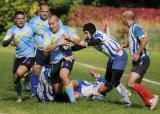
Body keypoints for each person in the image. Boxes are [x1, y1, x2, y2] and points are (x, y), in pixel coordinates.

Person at [70, 23, 131, 106]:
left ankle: (126, 100)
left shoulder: (98, 35)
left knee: (114, 79)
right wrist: (68, 50)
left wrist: (87, 43)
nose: (86, 35)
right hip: (112, 58)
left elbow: (96, 41)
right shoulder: (90, 39)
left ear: (91, 31)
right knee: (108, 80)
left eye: (86, 33)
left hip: (119, 55)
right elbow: (80, 47)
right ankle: (126, 92)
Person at [118, 11, 159, 110]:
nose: (121, 21)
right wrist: (124, 45)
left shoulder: (135, 27)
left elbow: (144, 39)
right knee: (137, 84)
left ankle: (152, 97)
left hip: (142, 59)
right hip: (139, 60)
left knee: (130, 83)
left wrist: (137, 53)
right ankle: (148, 103)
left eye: (122, 19)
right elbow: (133, 42)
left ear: (125, 18)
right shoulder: (131, 28)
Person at [41, 15, 80, 103]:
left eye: (53, 24)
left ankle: (73, 102)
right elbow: (46, 50)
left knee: (63, 75)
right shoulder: (46, 33)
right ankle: (74, 95)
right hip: (54, 62)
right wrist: (59, 43)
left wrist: (70, 39)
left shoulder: (67, 29)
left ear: (58, 22)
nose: (51, 26)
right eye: (49, 24)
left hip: (67, 58)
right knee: (58, 92)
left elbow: (78, 41)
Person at [2, 11, 35, 102]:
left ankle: (27, 73)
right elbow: (4, 44)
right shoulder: (11, 30)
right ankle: (19, 96)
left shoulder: (31, 27)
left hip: (30, 56)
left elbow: (42, 34)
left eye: (22, 18)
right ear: (15, 20)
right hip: (18, 57)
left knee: (19, 73)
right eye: (18, 18)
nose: (20, 20)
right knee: (16, 79)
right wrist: (10, 39)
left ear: (25, 19)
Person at [29, 2, 50, 96]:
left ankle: (49, 90)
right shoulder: (33, 21)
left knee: (49, 72)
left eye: (47, 11)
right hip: (38, 49)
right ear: (39, 11)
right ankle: (35, 92)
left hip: (51, 50)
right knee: (36, 69)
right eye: (43, 11)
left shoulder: (55, 20)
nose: (45, 13)